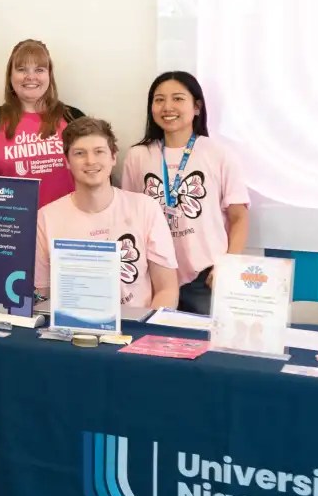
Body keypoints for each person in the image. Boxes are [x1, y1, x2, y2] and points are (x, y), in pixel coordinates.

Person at [122, 71, 250, 314]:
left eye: (178, 98)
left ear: (197, 107)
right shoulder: (138, 156)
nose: (167, 107)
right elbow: (128, 217)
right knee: (152, 336)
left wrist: (227, 266)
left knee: (204, 336)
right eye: (159, 100)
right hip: (153, 275)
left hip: (205, 276)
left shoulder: (218, 154)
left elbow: (239, 217)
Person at [35, 117, 179, 309]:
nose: (90, 161)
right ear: (67, 161)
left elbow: (167, 290)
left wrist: (146, 327)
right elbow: (43, 295)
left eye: (99, 151)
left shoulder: (145, 208)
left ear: (113, 157)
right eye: (79, 153)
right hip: (70, 324)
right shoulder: (46, 218)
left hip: (137, 324)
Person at [0, 39, 85, 208]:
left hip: (68, 221)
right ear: (10, 76)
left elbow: (95, 173)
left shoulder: (74, 119)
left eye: (39, 70)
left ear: (49, 75)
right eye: (21, 69)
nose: (31, 77)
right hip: (10, 222)